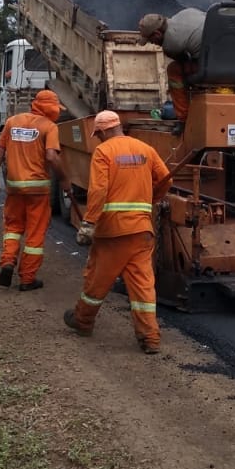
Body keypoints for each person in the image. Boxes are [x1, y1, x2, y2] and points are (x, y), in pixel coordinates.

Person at [63, 110, 172, 354]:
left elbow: (99, 190)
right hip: (142, 230)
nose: (99, 139)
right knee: (143, 286)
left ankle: (82, 321)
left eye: (98, 135)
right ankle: (150, 337)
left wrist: (89, 222)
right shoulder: (145, 149)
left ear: (102, 131)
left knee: (97, 280)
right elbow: (166, 179)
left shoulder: (104, 151)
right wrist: (152, 200)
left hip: (112, 232)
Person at [0, 89, 65, 291]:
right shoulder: (49, 127)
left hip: (14, 188)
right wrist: (65, 178)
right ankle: (27, 279)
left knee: (13, 228)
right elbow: (51, 156)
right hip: (38, 190)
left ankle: (7, 262)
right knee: (34, 234)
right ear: (52, 109)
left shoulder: (12, 122)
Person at [138, 8, 205, 122]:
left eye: (150, 39)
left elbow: (185, 64)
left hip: (210, 67)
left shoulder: (170, 44)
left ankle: (183, 118)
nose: (152, 43)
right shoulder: (186, 12)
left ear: (157, 33)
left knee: (174, 70)